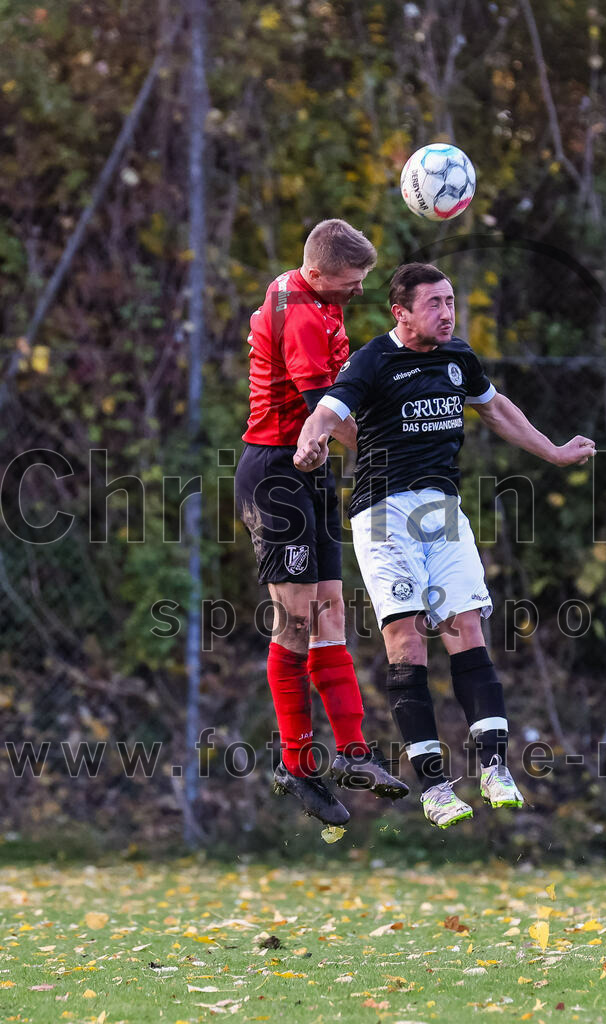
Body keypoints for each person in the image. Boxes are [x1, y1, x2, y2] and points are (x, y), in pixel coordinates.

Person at [292, 262, 596, 827]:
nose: (447, 312)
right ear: (401, 314)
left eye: (451, 301)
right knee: (406, 639)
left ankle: (494, 769)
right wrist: (311, 442)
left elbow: (495, 407)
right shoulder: (373, 360)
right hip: (383, 514)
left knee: (467, 627)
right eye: (434, 303)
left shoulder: (458, 357)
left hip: (443, 510)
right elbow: (328, 411)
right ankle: (434, 788)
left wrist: (554, 452)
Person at [235, 219, 409, 828]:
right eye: (349, 281)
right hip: (275, 473)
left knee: (331, 612)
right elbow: (324, 413)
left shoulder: (311, 292)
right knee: (295, 622)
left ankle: (355, 753)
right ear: (316, 273)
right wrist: (393, 458)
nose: (358, 290)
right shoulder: (305, 316)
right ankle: (296, 762)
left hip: (307, 471)